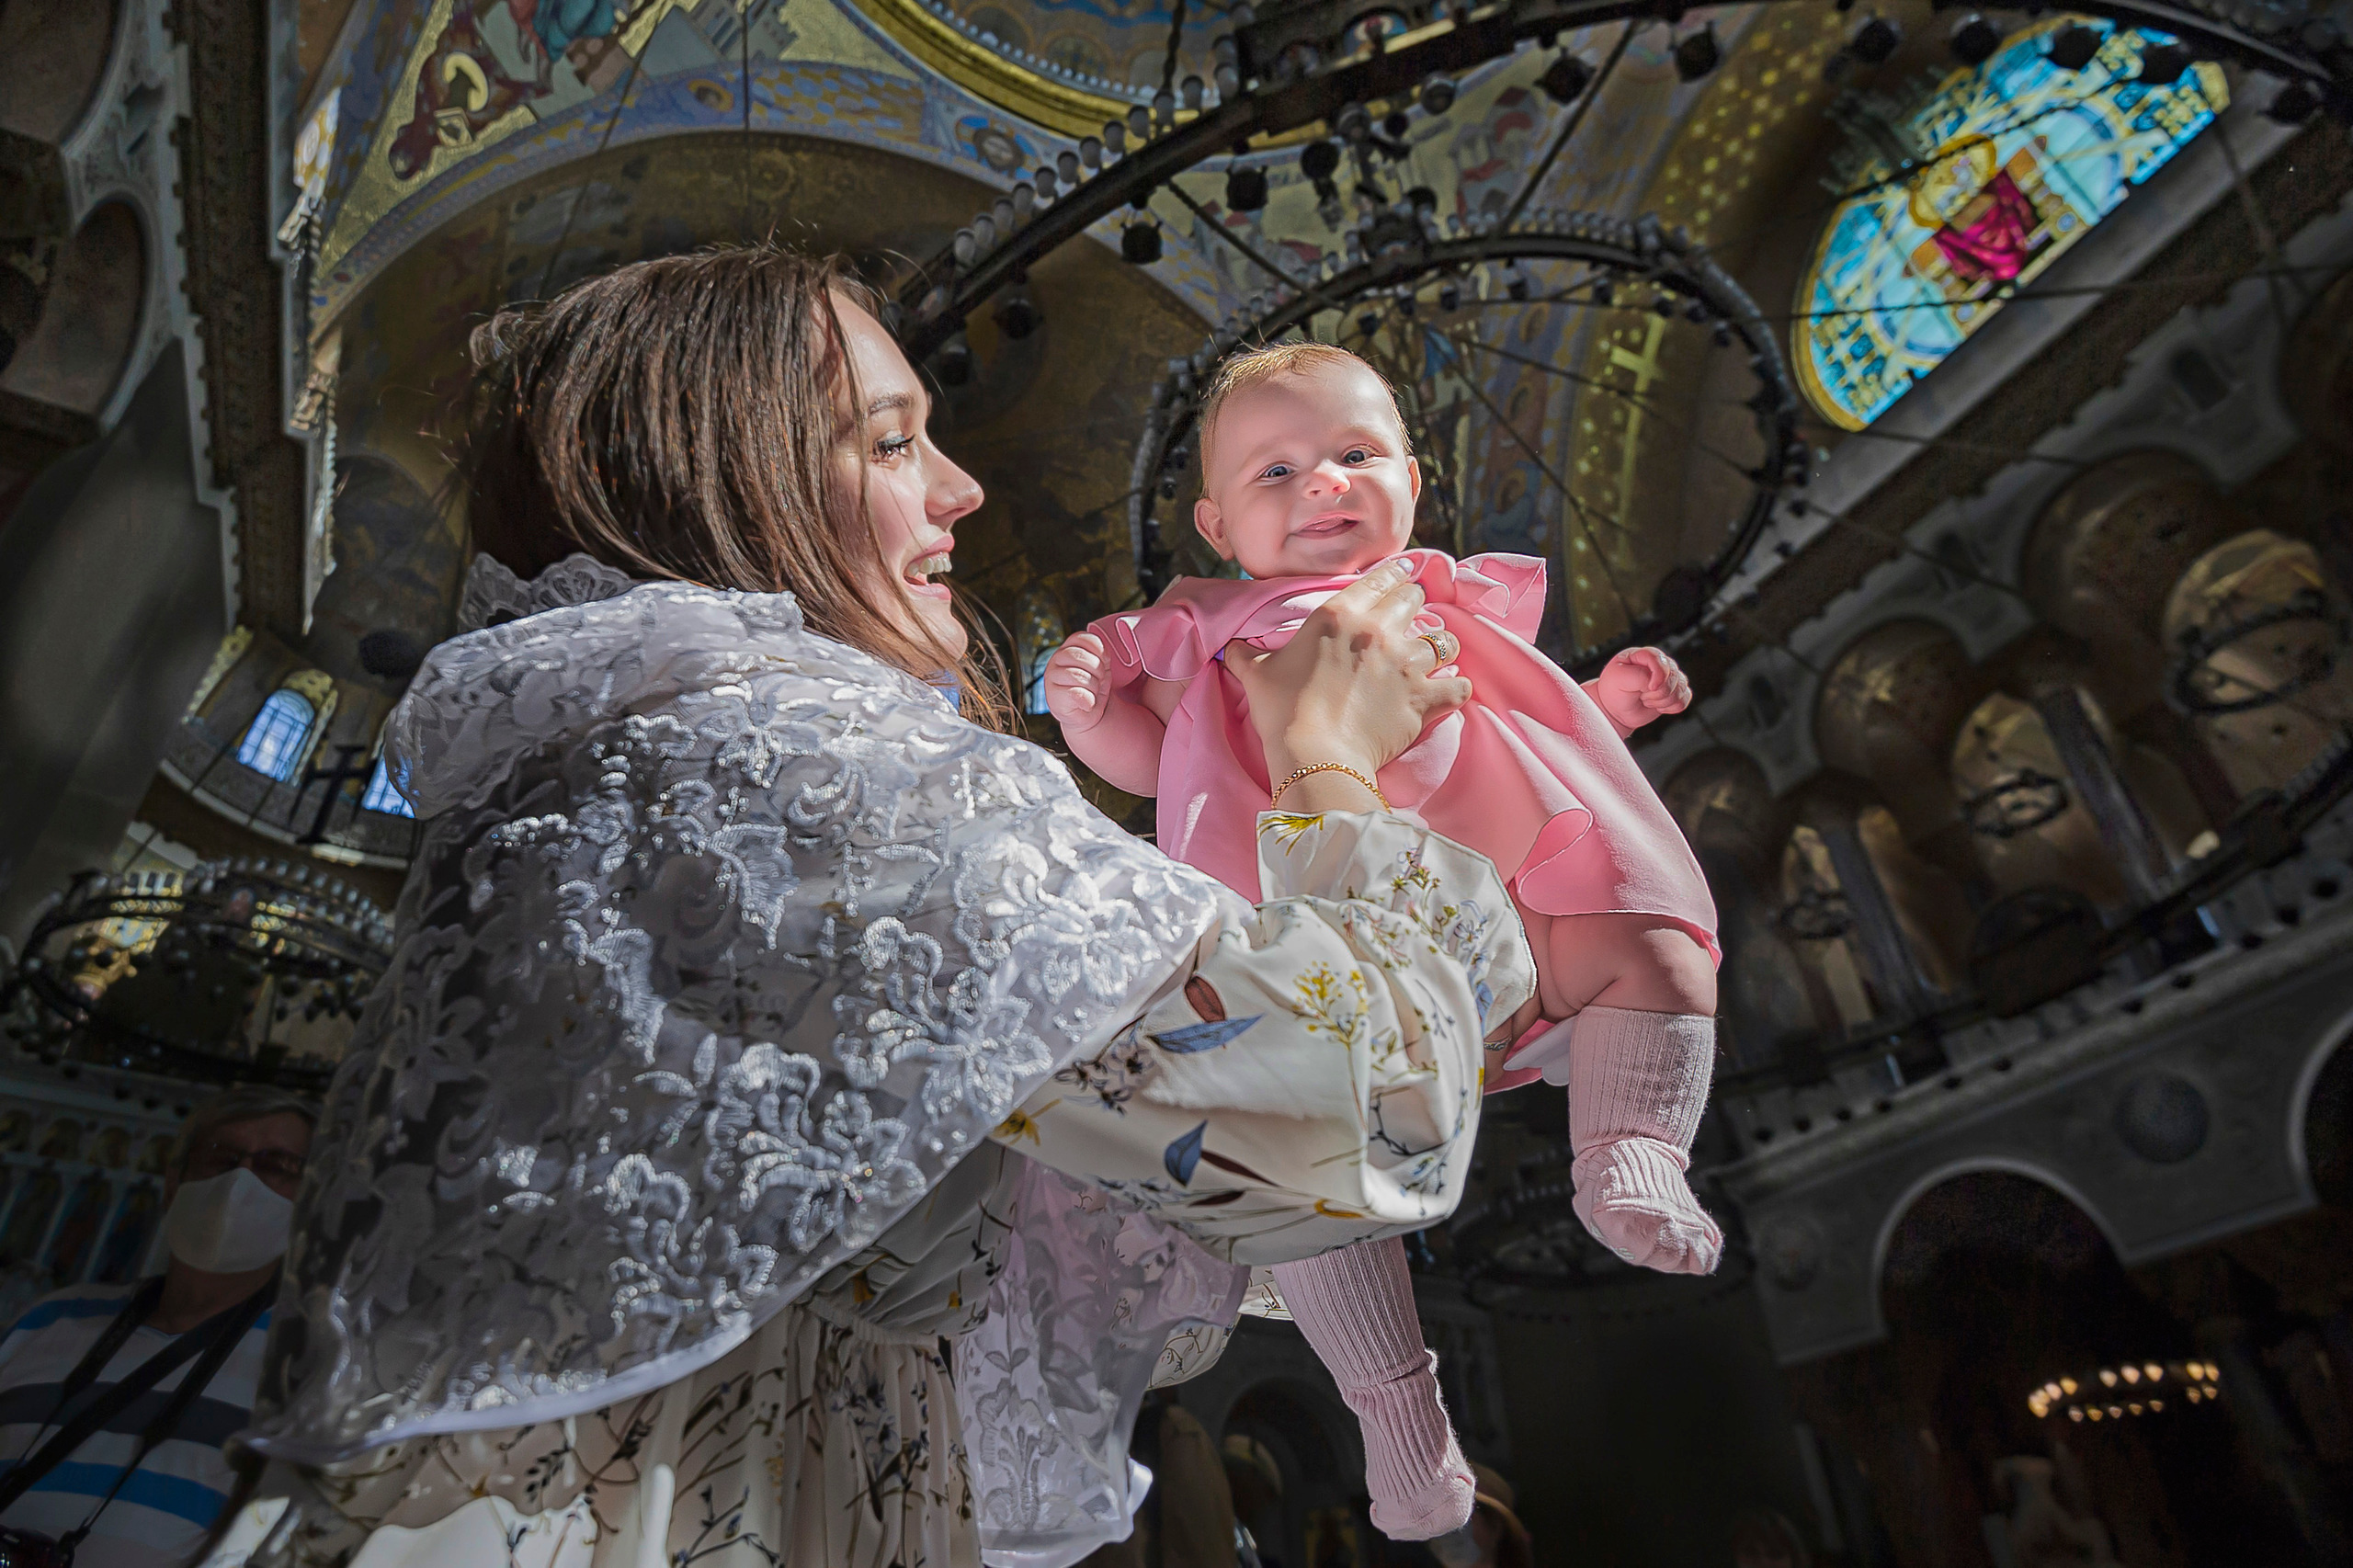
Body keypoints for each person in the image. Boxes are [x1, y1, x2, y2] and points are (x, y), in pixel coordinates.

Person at [200, 247, 1536, 1568]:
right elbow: (1380, 1097)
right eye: (891, 445)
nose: (961, 491)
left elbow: (1148, 1156)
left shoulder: (627, 741)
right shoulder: (782, 757)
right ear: (686, 474)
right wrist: (1326, 760)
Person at [1042, 341, 1724, 1536]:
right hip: (1323, 915)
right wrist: (1092, 701)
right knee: (1304, 1156)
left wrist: (1610, 702)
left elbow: (1543, 724)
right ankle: (1399, 1416)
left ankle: (1633, 1145)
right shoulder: (1212, 625)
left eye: (1356, 454)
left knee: (1653, 941)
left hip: (1515, 894)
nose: (1324, 484)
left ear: (1413, 473)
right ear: (1214, 524)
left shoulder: (1438, 602)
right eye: (1278, 471)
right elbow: (1154, 760)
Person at [0, 1088, 315, 1568]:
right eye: (221, 1157)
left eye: (276, 1165)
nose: (239, 1180)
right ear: (173, 1184)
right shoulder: (49, 1319)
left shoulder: (309, 1365)